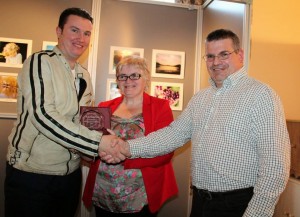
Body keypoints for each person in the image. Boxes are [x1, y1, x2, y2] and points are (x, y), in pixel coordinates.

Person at [101, 29, 291, 217]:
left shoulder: (261, 95)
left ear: (240, 55)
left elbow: (275, 166)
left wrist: (257, 213)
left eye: (224, 54)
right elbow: (172, 135)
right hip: (200, 202)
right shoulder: (201, 98)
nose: (216, 62)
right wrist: (126, 147)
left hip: (238, 204)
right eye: (210, 56)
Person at [4, 7, 120, 217]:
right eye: (74, 30)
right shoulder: (40, 62)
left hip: (70, 175)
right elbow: (43, 115)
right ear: (58, 31)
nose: (81, 39)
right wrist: (97, 143)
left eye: (86, 33)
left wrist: (90, 150)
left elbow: (82, 121)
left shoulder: (84, 74)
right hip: (32, 173)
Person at [82, 55, 178, 217]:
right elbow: (90, 146)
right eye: (123, 76)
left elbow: (166, 152)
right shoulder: (104, 106)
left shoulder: (160, 107)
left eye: (135, 75)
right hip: (104, 193)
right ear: (118, 81)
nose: (128, 81)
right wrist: (95, 151)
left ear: (145, 78)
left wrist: (123, 155)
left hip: (140, 196)